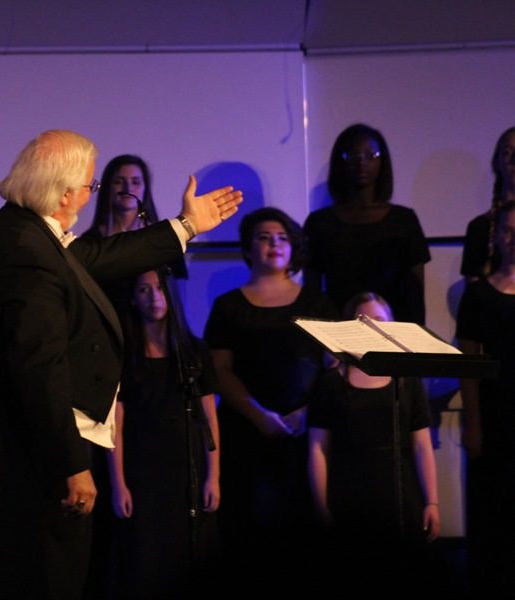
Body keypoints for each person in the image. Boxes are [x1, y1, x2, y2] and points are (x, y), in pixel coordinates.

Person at [0, 129, 241, 600]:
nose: (91, 197)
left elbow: (98, 256)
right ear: (66, 192)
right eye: (91, 186)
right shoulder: (26, 252)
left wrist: (186, 226)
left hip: (31, 455)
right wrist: (72, 464)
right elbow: (39, 366)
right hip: (33, 465)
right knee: (48, 579)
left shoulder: (27, 233)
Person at [204, 207, 335, 589]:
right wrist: (259, 415)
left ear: (292, 246)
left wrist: (305, 414)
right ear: (247, 249)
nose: (273, 244)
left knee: (304, 529)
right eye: (263, 237)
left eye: (281, 237)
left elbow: (332, 369)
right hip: (246, 433)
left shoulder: (318, 303)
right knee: (249, 530)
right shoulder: (229, 306)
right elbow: (220, 371)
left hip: (307, 434)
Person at [308, 292, 440, 592]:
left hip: (400, 495)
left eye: (379, 321)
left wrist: (432, 501)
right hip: (349, 495)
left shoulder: (406, 381)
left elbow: (421, 445)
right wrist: (321, 507)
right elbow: (318, 449)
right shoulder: (331, 383)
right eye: (363, 321)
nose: (372, 328)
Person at [106, 270, 220, 598]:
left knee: (188, 553)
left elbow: (209, 420)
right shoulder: (125, 355)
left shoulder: (193, 352)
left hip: (187, 468)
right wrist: (119, 485)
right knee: (145, 558)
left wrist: (214, 477)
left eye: (159, 288)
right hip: (142, 470)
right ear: (132, 298)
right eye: (144, 289)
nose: (154, 297)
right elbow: (116, 425)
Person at [304, 123, 431, 324]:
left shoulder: (404, 220)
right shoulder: (320, 223)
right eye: (353, 156)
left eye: (371, 155)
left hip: (394, 336)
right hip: (337, 335)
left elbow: (415, 296)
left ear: (382, 162)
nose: (362, 162)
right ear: (341, 161)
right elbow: (312, 295)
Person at [457, 199, 515, 594]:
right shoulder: (478, 296)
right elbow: (468, 364)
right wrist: (473, 424)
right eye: (508, 230)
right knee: (493, 510)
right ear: (495, 236)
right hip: (496, 416)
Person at [81, 154, 187, 314]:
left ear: (146, 188)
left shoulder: (164, 239)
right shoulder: (91, 242)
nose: (128, 188)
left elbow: (178, 294)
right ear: (108, 187)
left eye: (135, 182)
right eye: (118, 181)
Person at [461, 127, 515, 280]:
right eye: (507, 153)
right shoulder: (480, 227)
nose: (514, 160)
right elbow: (474, 295)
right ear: (497, 163)